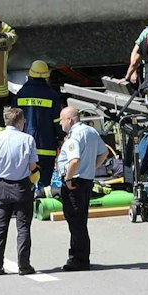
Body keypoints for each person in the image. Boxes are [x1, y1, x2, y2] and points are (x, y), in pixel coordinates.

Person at [0, 107, 39, 276]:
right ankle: (24, 265)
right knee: (23, 228)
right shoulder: (28, 140)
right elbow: (32, 166)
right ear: (20, 121)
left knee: (0, 227)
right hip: (21, 187)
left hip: (1, 187)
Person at [52, 107, 105, 272]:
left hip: (74, 182)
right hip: (85, 180)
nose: (60, 124)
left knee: (76, 222)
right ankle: (78, 256)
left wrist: (68, 178)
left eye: (61, 120)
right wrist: (91, 169)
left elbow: (74, 160)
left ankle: (79, 259)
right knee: (80, 220)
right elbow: (103, 153)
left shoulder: (75, 136)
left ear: (70, 120)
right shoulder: (91, 131)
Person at [15, 60, 66, 188]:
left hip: (24, 148)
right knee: (44, 187)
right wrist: (61, 138)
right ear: (46, 76)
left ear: (30, 74)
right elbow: (57, 121)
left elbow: (13, 119)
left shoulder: (21, 94)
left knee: (26, 185)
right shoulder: (52, 95)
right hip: (46, 148)